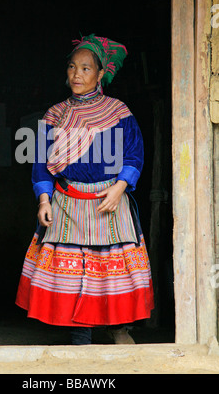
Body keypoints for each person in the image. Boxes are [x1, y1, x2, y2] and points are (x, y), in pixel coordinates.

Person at [15, 34, 154, 345]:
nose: (77, 74)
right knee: (76, 274)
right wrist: (43, 198)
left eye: (86, 69)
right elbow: (40, 162)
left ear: (101, 74)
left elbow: (134, 154)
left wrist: (120, 188)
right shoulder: (55, 115)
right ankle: (81, 340)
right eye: (72, 67)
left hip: (109, 201)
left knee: (109, 274)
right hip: (67, 202)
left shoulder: (118, 111)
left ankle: (118, 329)